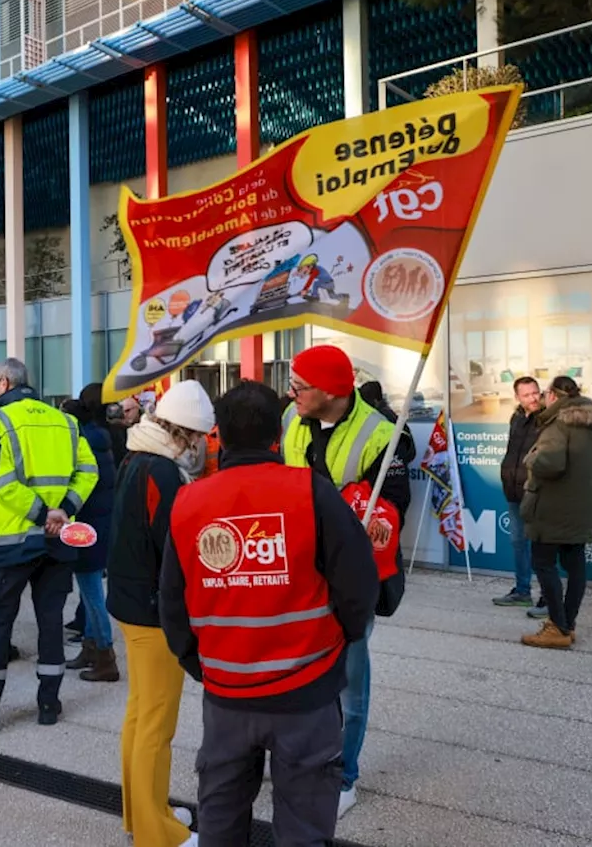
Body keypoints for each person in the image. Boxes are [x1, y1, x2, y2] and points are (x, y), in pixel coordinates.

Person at [161, 381, 380, 846]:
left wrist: (198, 664)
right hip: (306, 691)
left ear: (218, 433)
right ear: (278, 438)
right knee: (303, 825)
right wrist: (343, 640)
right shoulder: (312, 493)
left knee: (220, 817)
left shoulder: (189, 502)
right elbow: (359, 584)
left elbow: (171, 602)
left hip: (225, 695)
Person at [281, 344, 412, 819]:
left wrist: (353, 514)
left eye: (299, 385)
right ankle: (302, 761)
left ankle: (344, 777)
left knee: (349, 681)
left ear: (332, 391)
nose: (290, 392)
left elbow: (394, 504)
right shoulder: (290, 420)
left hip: (354, 575)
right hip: (300, 569)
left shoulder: (381, 434)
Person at [0, 357, 99, 739]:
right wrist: (64, 510)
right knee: (51, 623)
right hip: (58, 541)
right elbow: (90, 470)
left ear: (2, 382)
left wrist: (40, 514)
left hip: (12, 542)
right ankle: (49, 705)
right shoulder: (66, 421)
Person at [107, 379, 215, 847]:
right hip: (153, 612)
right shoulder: (164, 474)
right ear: (185, 433)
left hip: (130, 603)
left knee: (139, 716)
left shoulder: (135, 457)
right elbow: (174, 549)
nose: (200, 448)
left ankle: (141, 814)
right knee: (156, 724)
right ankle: (158, 835)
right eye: (198, 439)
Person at [520, 376, 592, 650]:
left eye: (545, 393)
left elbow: (551, 463)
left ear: (554, 396)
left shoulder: (558, 423)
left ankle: (557, 626)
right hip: (581, 506)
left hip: (554, 508)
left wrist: (531, 456)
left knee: (543, 563)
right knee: (575, 564)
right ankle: (568, 624)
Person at [62, 385, 120, 683]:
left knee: (92, 593)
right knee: (89, 590)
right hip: (99, 524)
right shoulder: (101, 438)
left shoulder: (82, 443)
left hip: (87, 527)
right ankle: (90, 646)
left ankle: (105, 655)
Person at [494, 377, 543, 609]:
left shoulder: (546, 419)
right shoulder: (516, 418)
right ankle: (523, 591)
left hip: (536, 493)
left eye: (535, 393)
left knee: (541, 545)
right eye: (527, 395)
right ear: (518, 398)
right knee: (518, 542)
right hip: (514, 491)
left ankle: (547, 596)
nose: (533, 398)